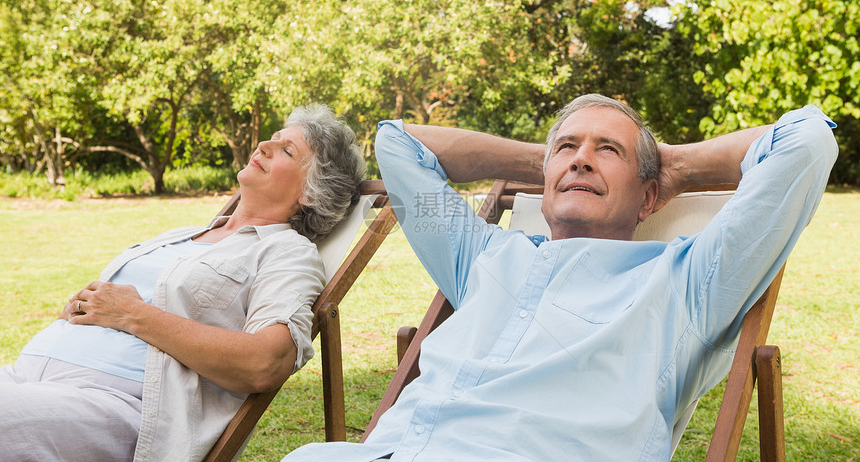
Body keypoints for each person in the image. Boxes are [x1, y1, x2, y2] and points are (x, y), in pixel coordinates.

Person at [283, 94, 837, 461]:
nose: (582, 160)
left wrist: (676, 167)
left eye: (609, 150)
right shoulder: (482, 257)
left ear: (649, 195)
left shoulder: (687, 283)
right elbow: (397, 144)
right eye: (569, 148)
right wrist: (553, 160)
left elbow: (807, 142)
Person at [0, 104, 366, 462]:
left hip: (115, 402)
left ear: (312, 192)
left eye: (287, 150)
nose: (264, 146)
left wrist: (133, 315)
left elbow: (266, 362)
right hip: (28, 377)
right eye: (273, 138)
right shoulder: (182, 235)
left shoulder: (286, 251)